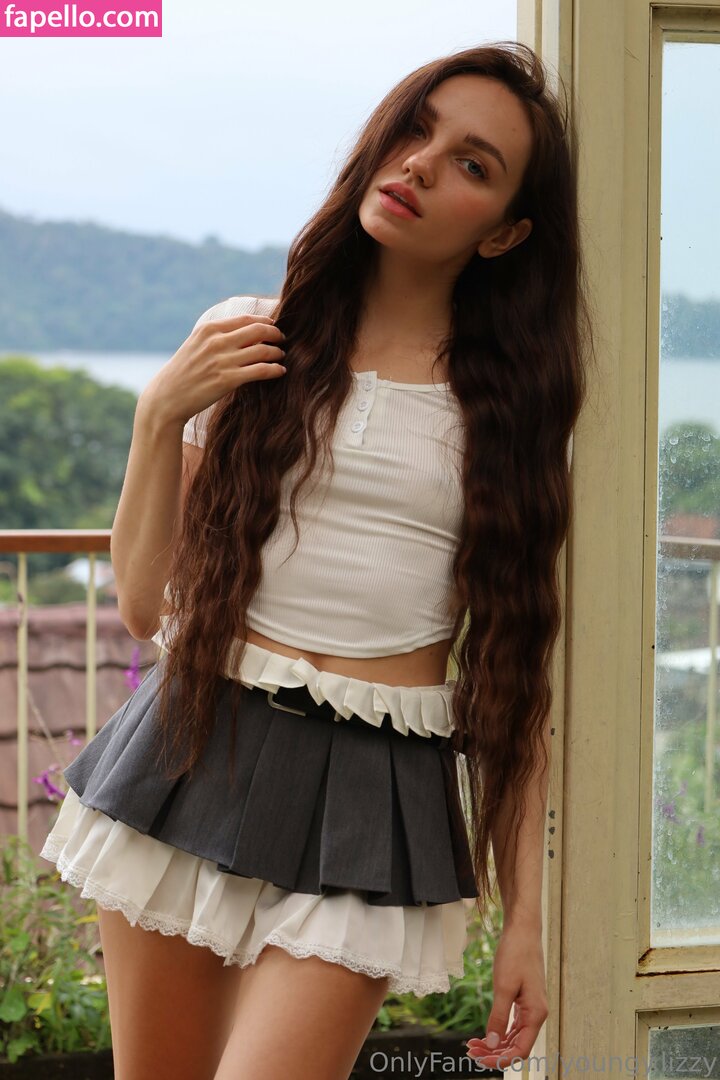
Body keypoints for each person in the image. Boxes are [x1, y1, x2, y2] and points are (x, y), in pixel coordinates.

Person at [40, 39, 591, 1080]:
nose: (421, 163)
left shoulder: (510, 419)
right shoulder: (249, 338)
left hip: (376, 793)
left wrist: (527, 922)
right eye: (417, 129)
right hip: (195, 749)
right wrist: (158, 415)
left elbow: (516, 688)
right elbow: (149, 608)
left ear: (506, 232)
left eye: (472, 164)